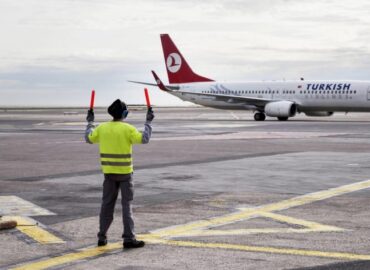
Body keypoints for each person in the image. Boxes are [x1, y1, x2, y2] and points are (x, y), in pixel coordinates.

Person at [85, 99, 154, 248]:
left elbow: (89, 139)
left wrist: (90, 122)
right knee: (126, 206)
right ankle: (128, 239)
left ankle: (102, 237)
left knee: (106, 206)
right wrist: (148, 122)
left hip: (109, 174)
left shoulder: (102, 128)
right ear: (125, 113)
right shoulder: (128, 129)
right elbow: (145, 139)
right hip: (125, 174)